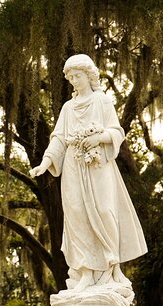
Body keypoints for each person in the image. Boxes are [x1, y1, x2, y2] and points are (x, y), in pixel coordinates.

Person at [29, 54, 147, 292]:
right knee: (77, 215)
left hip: (98, 165)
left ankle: (112, 266)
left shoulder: (102, 101)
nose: (74, 80)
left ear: (89, 75)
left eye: (78, 75)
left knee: (105, 210)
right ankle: (85, 271)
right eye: (70, 77)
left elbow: (116, 132)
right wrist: (46, 162)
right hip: (73, 166)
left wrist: (97, 138)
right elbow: (59, 138)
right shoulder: (68, 108)